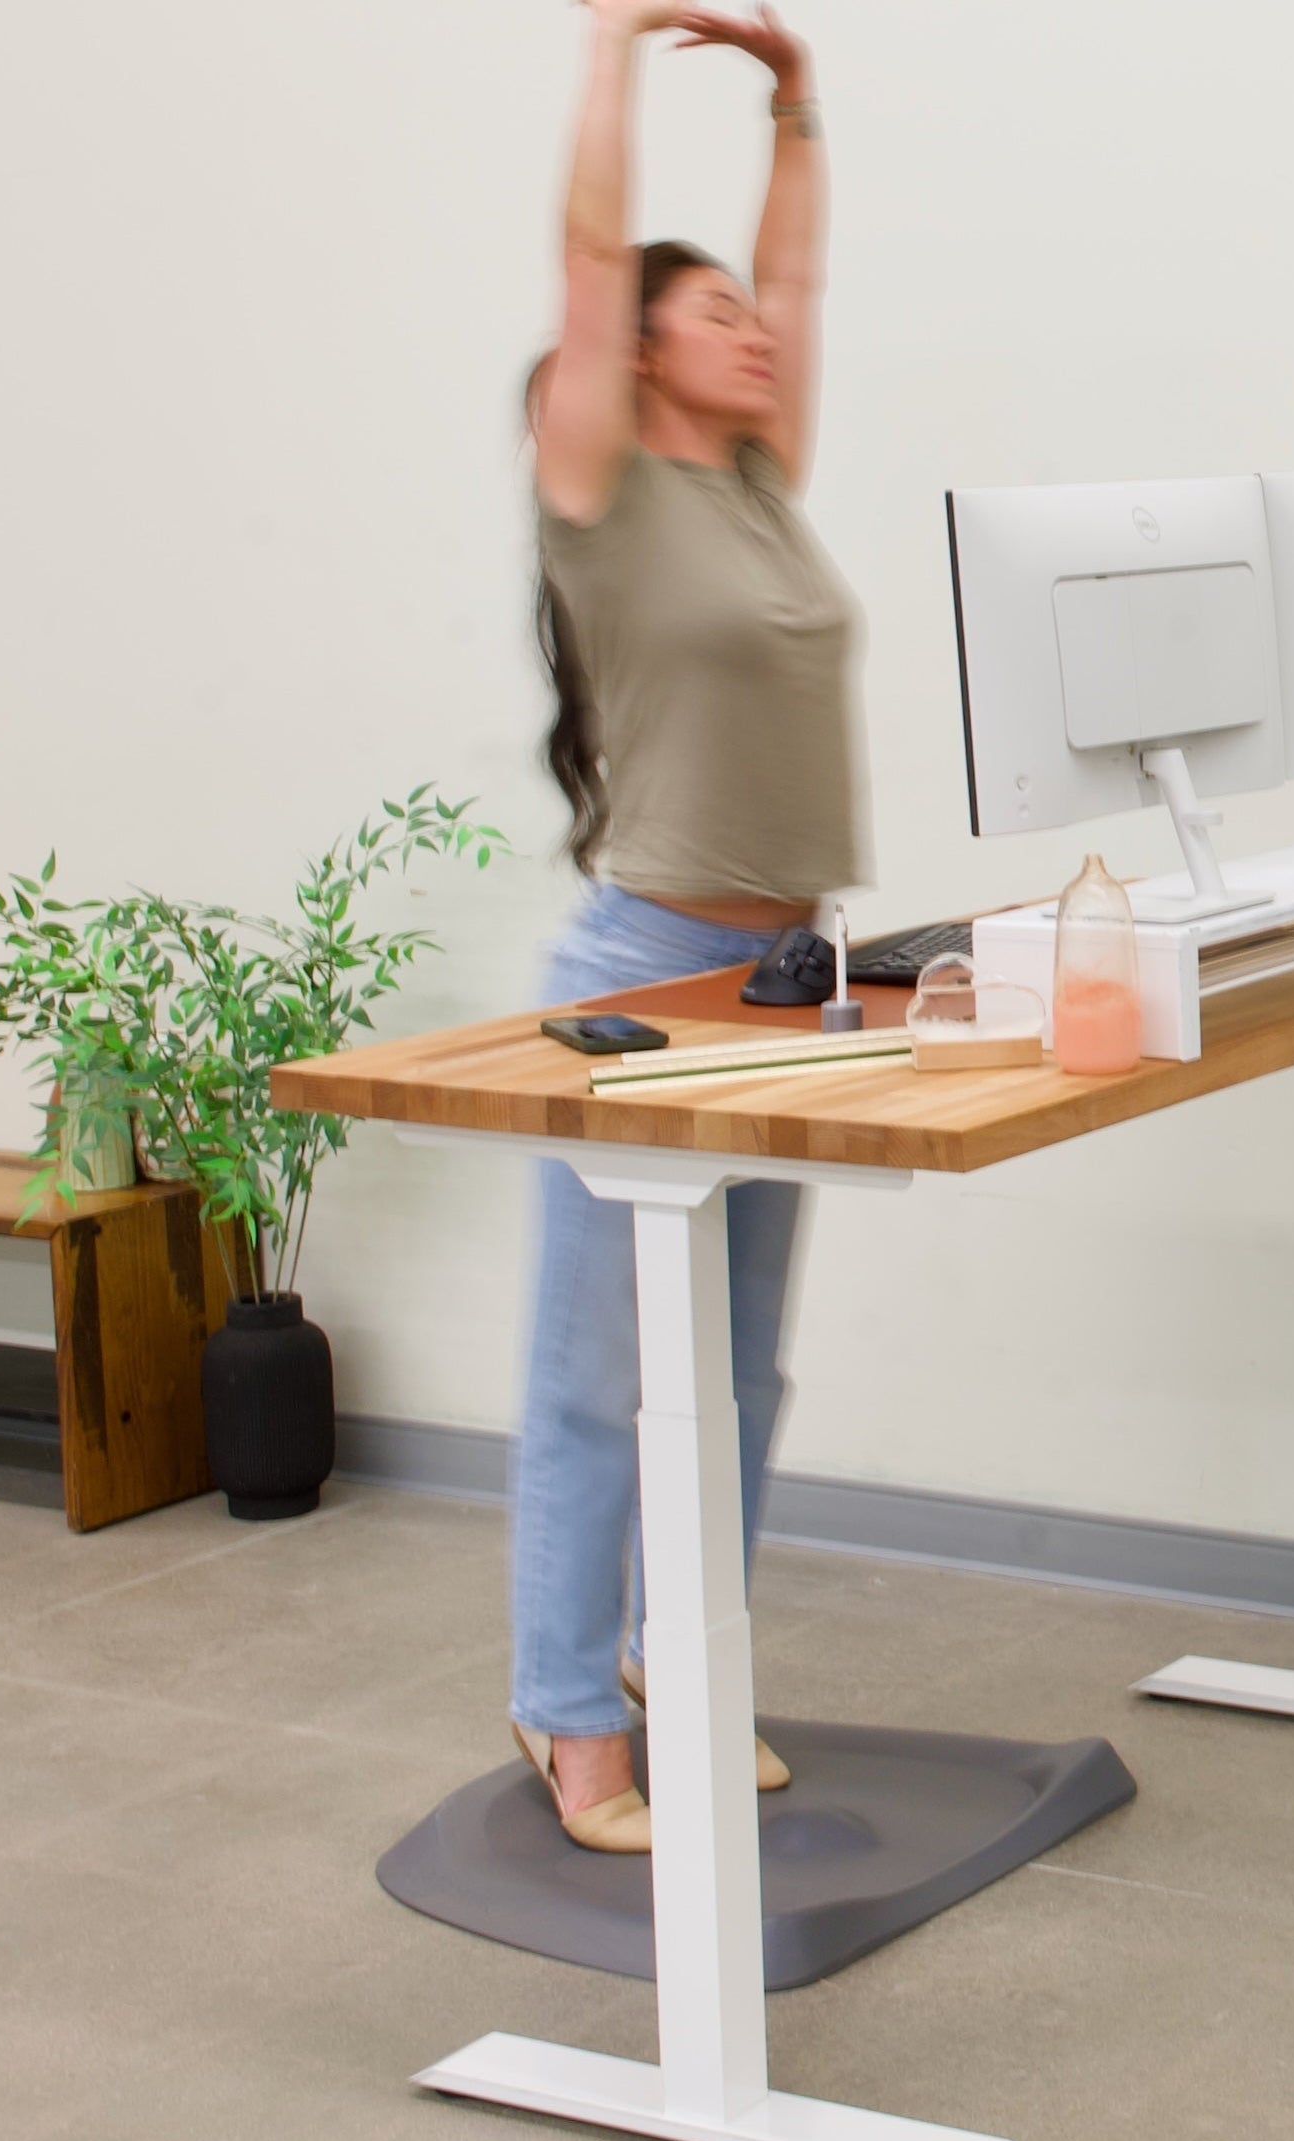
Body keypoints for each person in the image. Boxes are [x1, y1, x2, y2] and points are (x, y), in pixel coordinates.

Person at [505, 0, 851, 1852]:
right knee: (592, 1372)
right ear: (629, 363)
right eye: (710, 313)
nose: (753, 325)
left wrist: (794, 97)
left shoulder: (760, 487)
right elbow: (585, 255)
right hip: (644, 975)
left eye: (748, 312)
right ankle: (565, 1714)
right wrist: (620, 43)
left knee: (734, 1366)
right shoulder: (605, 486)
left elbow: (797, 266)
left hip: (789, 980)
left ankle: (682, 1656)